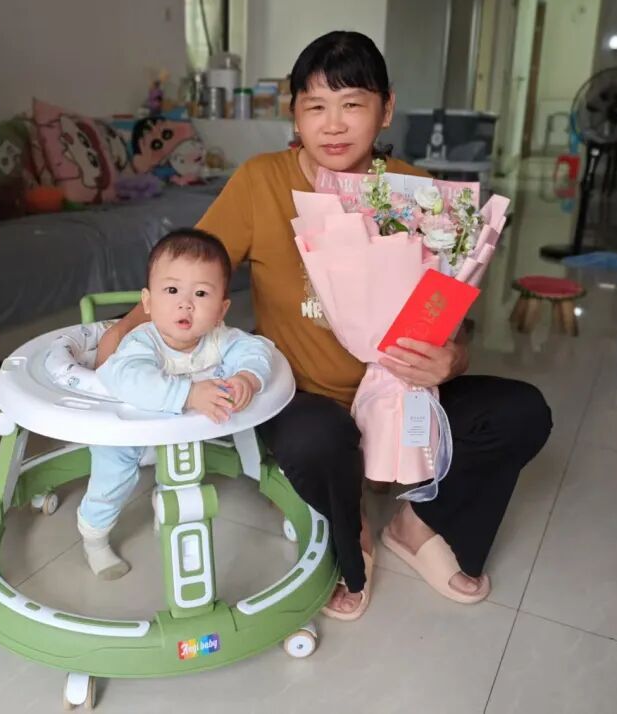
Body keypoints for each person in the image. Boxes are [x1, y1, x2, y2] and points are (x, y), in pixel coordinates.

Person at [96, 31, 552, 617]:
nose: (333, 125)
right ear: (295, 115)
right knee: (317, 439)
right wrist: (123, 330)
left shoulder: (415, 193)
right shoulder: (261, 181)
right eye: (315, 106)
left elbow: (447, 309)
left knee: (522, 412)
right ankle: (349, 524)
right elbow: (184, 273)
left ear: (386, 109)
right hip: (302, 395)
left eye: (352, 104)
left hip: (402, 392)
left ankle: (417, 526)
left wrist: (452, 360)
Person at [79, 229, 273, 579]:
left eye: (201, 293)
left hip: (176, 436)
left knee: (183, 476)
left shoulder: (219, 339)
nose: (186, 304)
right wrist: (190, 394)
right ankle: (95, 537)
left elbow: (256, 349)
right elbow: (129, 377)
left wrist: (247, 377)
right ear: (148, 301)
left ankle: (166, 511)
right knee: (111, 483)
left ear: (222, 309)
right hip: (124, 435)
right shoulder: (142, 341)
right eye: (172, 291)